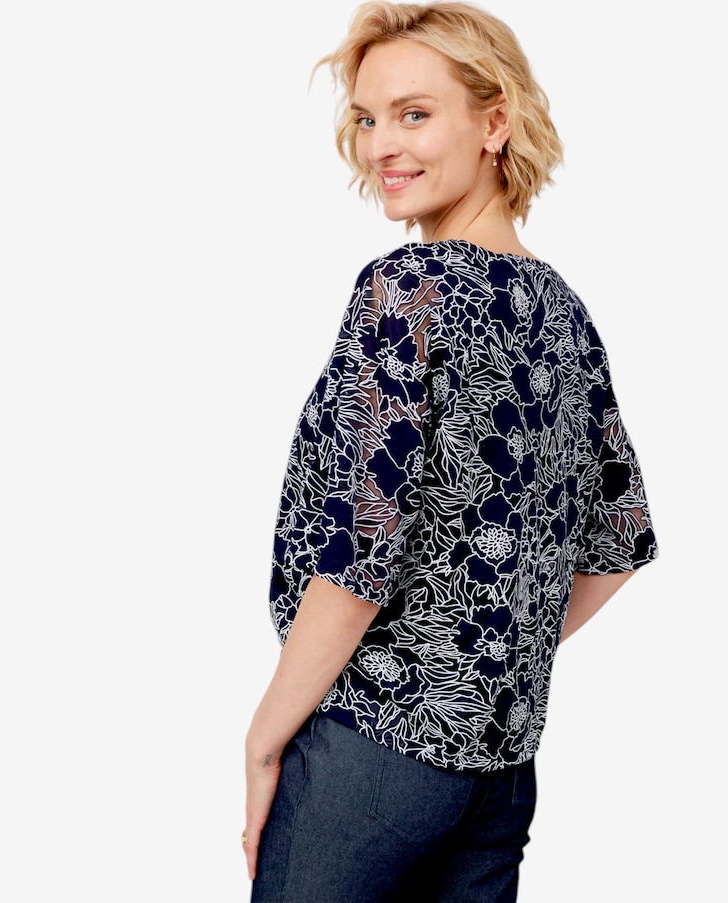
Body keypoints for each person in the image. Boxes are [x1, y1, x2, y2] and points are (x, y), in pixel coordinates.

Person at [242, 2, 658, 900]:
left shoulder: (408, 291)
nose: (381, 145)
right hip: (500, 769)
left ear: (495, 122)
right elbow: (618, 542)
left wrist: (265, 735)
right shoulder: (563, 311)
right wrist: (482, 664)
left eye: (415, 114)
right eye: (367, 118)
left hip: (373, 752)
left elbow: (361, 554)